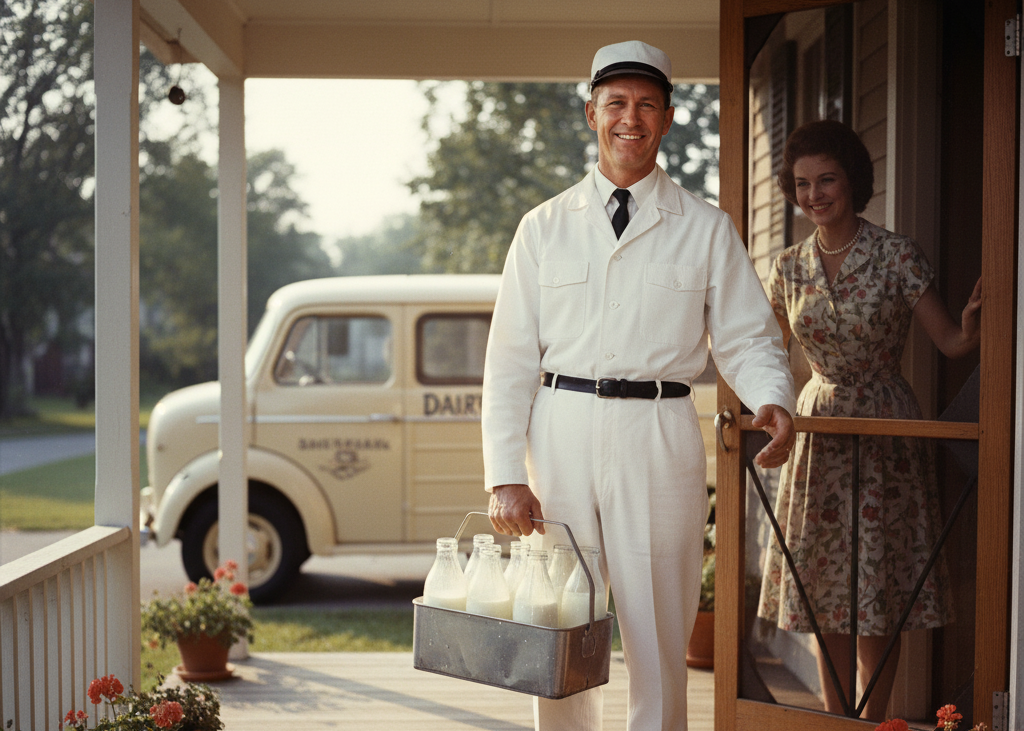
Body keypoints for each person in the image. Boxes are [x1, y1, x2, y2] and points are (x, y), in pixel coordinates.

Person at [481, 40, 797, 731]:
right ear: (591, 112)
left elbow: (746, 337)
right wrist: (506, 473)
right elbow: (507, 361)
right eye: (617, 103)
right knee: (561, 617)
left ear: (669, 117)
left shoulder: (707, 229)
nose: (631, 117)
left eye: (647, 104)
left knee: (657, 623)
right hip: (560, 429)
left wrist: (771, 396)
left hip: (660, 433)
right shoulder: (542, 229)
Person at [756, 119, 982, 721]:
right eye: (802, 184)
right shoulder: (787, 268)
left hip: (884, 425)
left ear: (854, 180)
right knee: (823, 588)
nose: (814, 195)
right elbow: (763, 353)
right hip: (819, 429)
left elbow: (951, 341)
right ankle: (838, 722)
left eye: (826, 179)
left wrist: (977, 321)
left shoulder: (896, 253)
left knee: (877, 588)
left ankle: (872, 722)